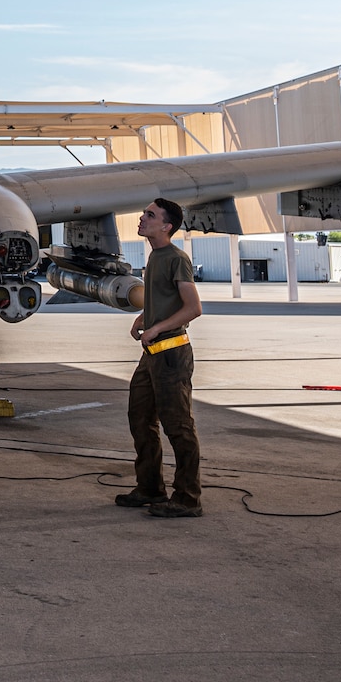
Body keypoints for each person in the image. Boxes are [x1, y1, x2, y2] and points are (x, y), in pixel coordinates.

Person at [116, 197, 204, 518]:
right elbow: (165, 299)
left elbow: (193, 308)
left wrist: (159, 327)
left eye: (150, 215)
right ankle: (150, 487)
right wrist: (145, 317)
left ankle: (187, 498)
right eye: (143, 213)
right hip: (151, 354)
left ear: (166, 226)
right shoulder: (154, 257)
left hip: (171, 354)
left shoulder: (176, 258)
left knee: (178, 427)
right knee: (140, 419)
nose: (142, 218)